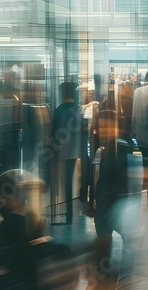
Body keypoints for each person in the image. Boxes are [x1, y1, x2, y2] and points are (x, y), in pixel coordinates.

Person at [83, 110, 130, 290]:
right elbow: (95, 177)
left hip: (113, 207)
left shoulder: (120, 147)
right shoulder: (103, 147)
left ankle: (104, 288)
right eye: (100, 126)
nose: (103, 130)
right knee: (104, 249)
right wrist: (91, 200)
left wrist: (98, 202)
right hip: (105, 207)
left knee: (108, 248)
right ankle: (101, 288)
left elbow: (118, 180)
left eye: (107, 126)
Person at [52, 82, 81, 224]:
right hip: (75, 150)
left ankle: (65, 212)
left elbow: (53, 132)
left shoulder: (59, 110)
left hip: (60, 151)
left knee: (63, 183)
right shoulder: (78, 109)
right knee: (69, 182)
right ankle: (70, 212)